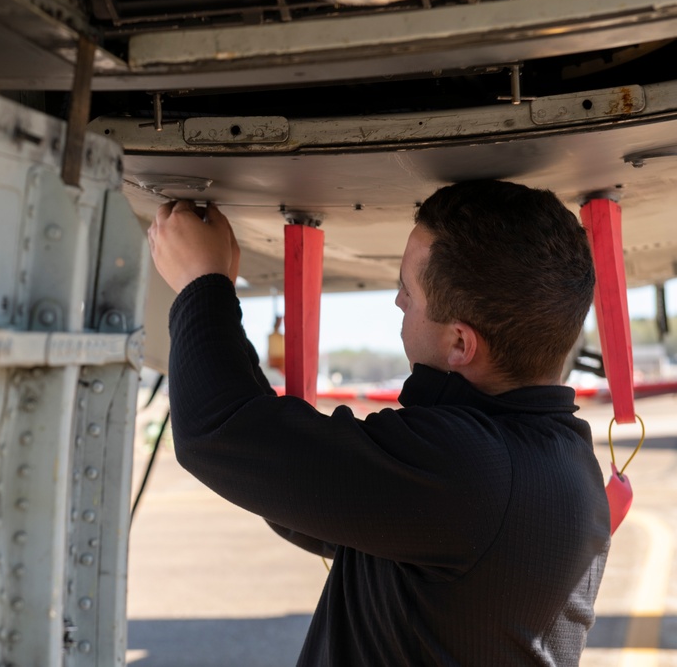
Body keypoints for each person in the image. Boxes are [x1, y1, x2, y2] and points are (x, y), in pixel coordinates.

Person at [146, 180, 610, 666]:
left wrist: (202, 285)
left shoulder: (473, 470)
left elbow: (217, 432)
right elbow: (294, 478)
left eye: (407, 290)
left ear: (459, 344)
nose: (398, 303)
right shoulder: (549, 455)